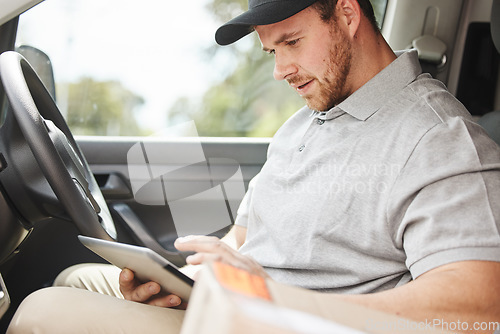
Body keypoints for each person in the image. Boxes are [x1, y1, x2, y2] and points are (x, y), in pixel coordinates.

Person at [7, 0, 500, 333]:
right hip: (236, 309)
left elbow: (479, 307)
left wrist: (274, 302)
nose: (279, 70)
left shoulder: (439, 138)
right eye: (270, 51)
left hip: (284, 324)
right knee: (74, 276)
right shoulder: (305, 122)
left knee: (39, 311)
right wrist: (182, 277)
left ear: (347, 13)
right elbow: (242, 239)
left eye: (291, 43)